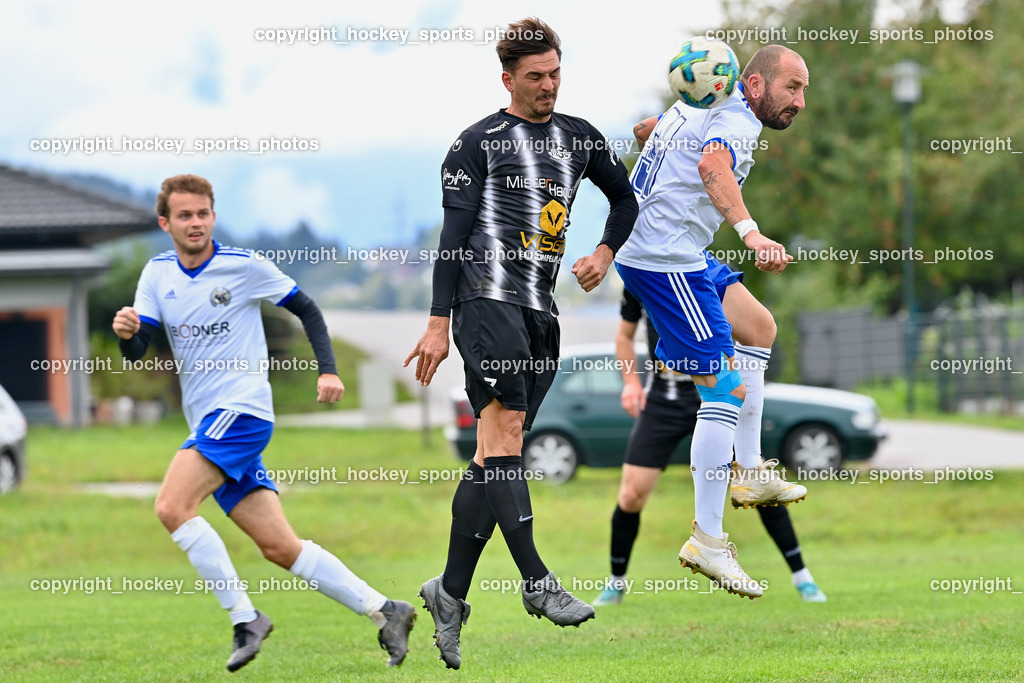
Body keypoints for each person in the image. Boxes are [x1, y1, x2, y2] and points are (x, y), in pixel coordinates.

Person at [403, 17, 638, 670]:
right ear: (507, 78)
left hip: (541, 312)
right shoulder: (476, 143)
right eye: (535, 77)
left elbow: (625, 199)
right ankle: (537, 580)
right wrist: (435, 320)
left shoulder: (580, 137)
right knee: (504, 434)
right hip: (485, 303)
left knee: (491, 453)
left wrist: (603, 251)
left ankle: (448, 593)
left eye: (555, 73)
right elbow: (452, 240)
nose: (548, 86)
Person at [112, 174, 415, 672]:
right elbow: (138, 348)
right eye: (184, 215)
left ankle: (245, 618)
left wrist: (329, 370)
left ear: (213, 215)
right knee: (279, 547)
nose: (195, 223)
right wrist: (127, 334)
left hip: (243, 411)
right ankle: (386, 611)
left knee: (171, 506)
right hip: (207, 421)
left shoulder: (243, 266)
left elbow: (307, 309)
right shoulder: (156, 274)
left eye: (203, 213)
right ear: (165, 222)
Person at [614, 44, 810, 599]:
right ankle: (708, 540)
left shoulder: (697, 104)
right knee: (724, 389)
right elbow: (711, 167)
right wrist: (752, 233)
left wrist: (658, 138)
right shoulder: (737, 122)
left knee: (760, 328)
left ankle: (748, 469)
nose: (800, 100)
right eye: (791, 87)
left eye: (803, 88)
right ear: (752, 86)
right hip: (666, 259)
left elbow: (645, 128)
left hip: (681, 253)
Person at [594, 288, 826, 606]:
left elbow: (752, 329)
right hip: (664, 399)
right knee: (631, 495)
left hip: (713, 387)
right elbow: (624, 336)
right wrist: (631, 383)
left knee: (753, 476)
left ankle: (803, 578)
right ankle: (615, 583)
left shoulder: (708, 274)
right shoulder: (644, 270)